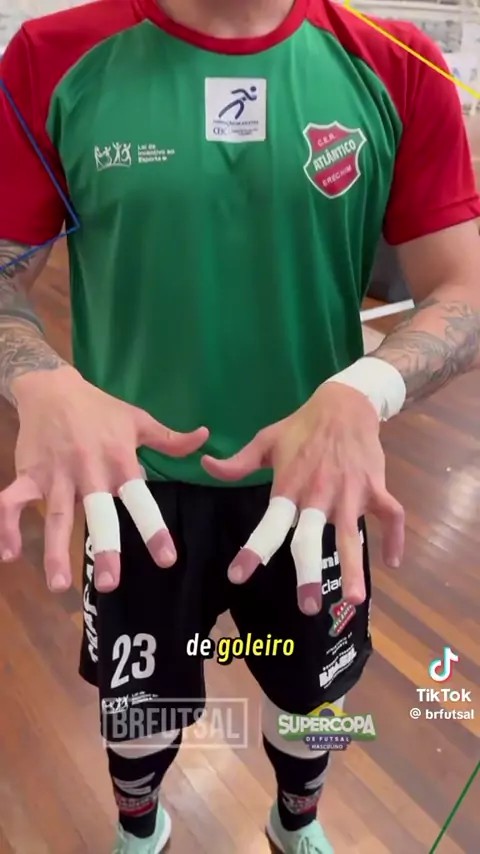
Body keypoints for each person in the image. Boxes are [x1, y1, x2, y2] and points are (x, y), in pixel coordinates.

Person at [0, 0, 479, 851]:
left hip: (314, 481)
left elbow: (464, 287)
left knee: (318, 703)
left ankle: (297, 821)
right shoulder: (50, 56)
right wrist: (38, 378)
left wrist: (369, 387)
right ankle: (141, 829)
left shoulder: (396, 64)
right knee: (137, 712)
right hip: (133, 488)